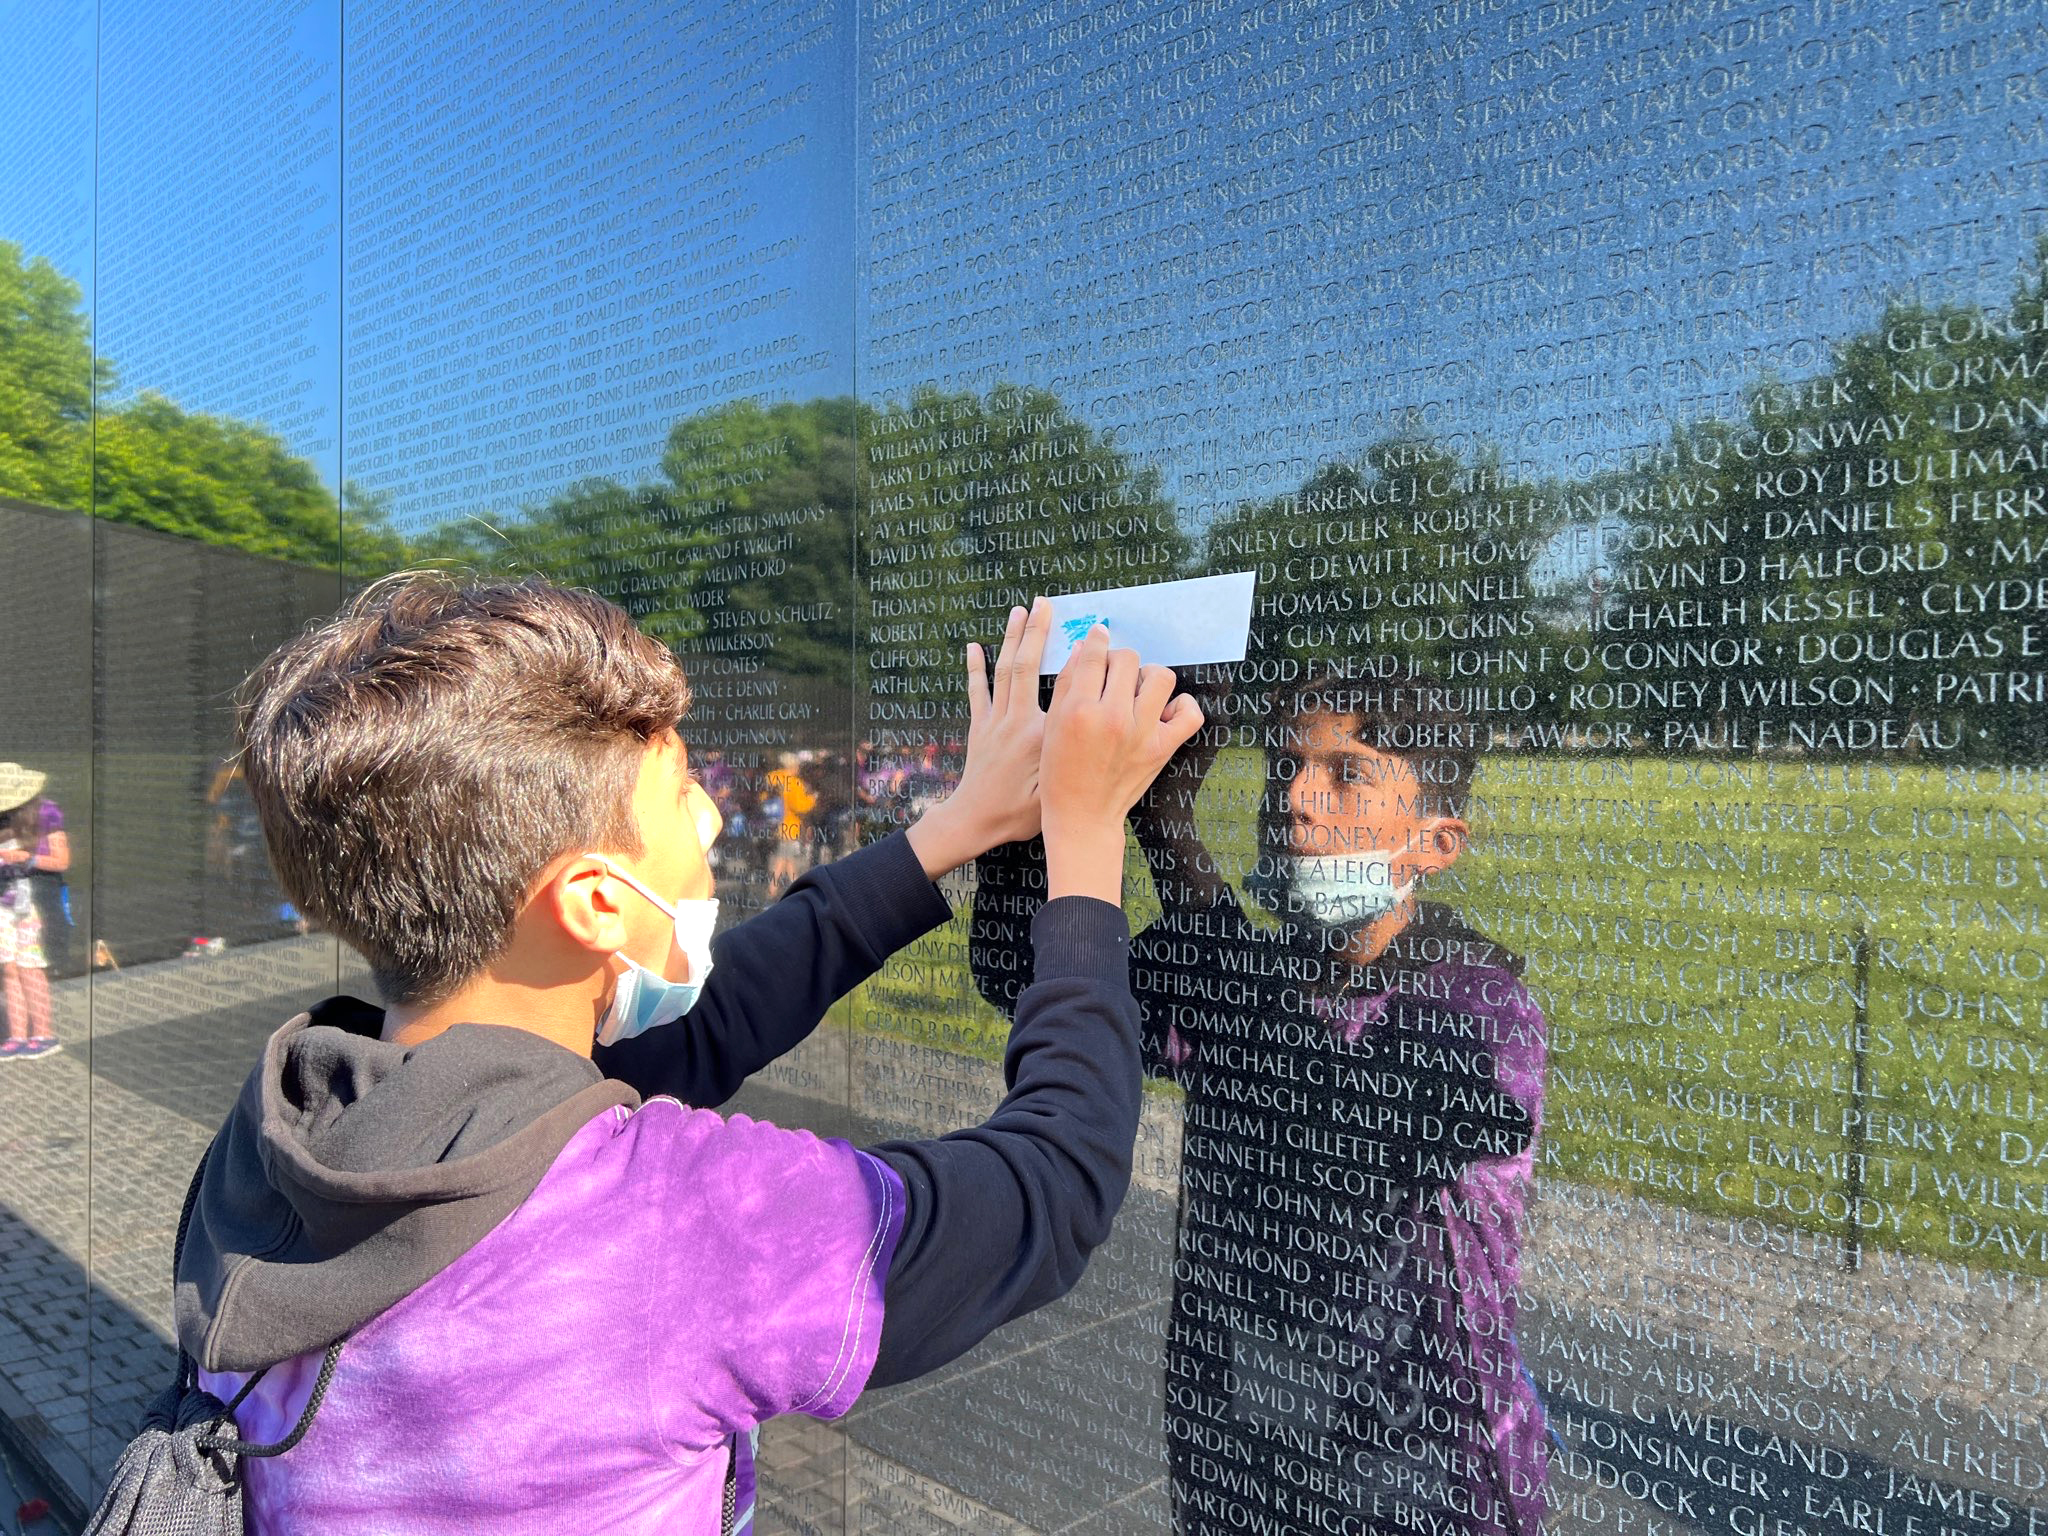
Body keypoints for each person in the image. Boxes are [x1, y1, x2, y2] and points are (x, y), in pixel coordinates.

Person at [172, 572, 1203, 1533]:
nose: (712, 809)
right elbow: (1052, 1184)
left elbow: (695, 1037)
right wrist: (1084, 843)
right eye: (677, 794)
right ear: (596, 902)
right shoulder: (683, 1231)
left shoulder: (284, 1138)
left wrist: (952, 831)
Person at [972, 662, 1550, 1536]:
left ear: (1435, 844)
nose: (1297, 799)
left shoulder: (1482, 1010)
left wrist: (1170, 834)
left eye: (1345, 773)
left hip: (1421, 1477)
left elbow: (1328, 1121)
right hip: (1234, 1458)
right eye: (1286, 766)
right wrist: (1034, 796)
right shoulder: (1248, 971)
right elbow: (1029, 977)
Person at [0, 763, 71, 1061]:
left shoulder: (47, 813)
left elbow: (62, 860)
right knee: (9, 968)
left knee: (30, 967)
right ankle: (17, 1035)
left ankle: (44, 1033)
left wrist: (25, 858)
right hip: (4, 903)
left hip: (33, 905)